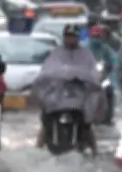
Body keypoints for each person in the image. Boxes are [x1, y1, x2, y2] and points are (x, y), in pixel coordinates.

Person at [33, 24, 105, 155]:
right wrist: (59, 77)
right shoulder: (55, 54)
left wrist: (83, 78)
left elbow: (93, 73)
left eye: (73, 37)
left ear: (78, 38)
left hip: (79, 97)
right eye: (68, 36)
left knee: (87, 124)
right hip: (58, 96)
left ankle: (95, 150)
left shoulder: (86, 55)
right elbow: (46, 72)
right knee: (45, 122)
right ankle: (36, 150)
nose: (70, 39)